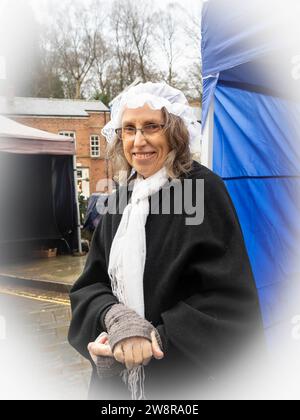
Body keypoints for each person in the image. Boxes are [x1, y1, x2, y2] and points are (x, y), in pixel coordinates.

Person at [68, 82, 264, 400]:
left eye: (151, 127)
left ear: (174, 132)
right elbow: (90, 285)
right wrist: (114, 323)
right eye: (129, 129)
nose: (138, 140)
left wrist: (153, 340)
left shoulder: (203, 189)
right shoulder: (120, 200)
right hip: (118, 386)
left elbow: (227, 299)